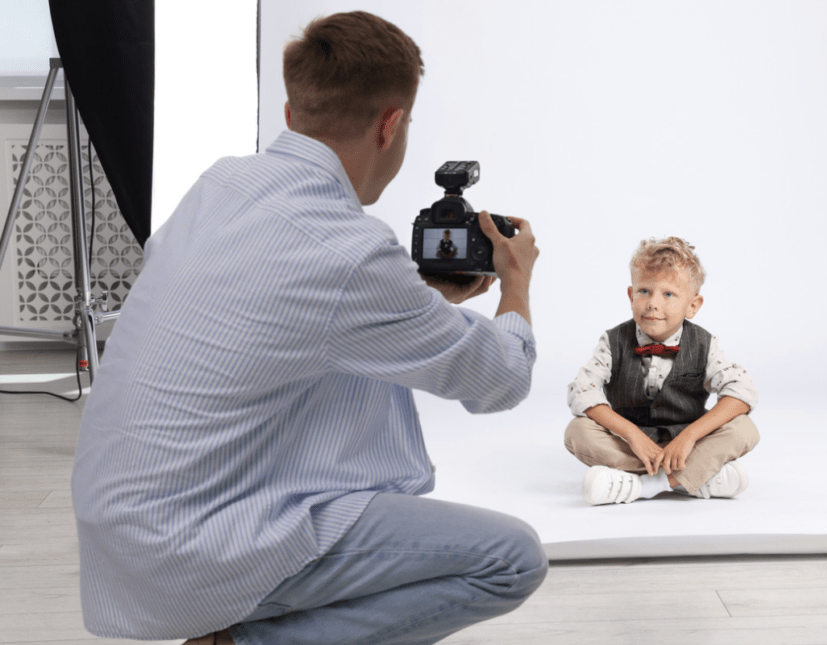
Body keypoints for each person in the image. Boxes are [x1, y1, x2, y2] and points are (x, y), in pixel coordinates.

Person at [70, 11, 544, 645]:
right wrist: (516, 283)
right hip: (189, 552)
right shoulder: (349, 253)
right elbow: (501, 380)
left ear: (292, 113)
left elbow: (278, 316)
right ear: (390, 124)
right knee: (511, 560)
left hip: (118, 530)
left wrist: (417, 299)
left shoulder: (220, 186)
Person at [564, 237, 760, 505]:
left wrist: (690, 436)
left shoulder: (704, 343)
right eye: (644, 291)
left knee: (744, 428)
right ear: (631, 295)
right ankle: (693, 477)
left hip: (686, 440)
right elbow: (582, 391)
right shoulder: (613, 341)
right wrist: (632, 435)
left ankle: (642, 485)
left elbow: (742, 391)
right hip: (631, 441)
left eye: (668, 294)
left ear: (693, 305)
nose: (653, 303)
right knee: (578, 431)